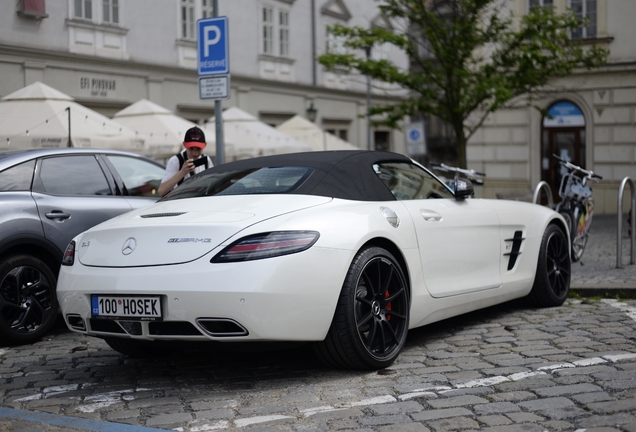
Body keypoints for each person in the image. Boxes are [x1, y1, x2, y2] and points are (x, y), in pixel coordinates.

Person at [158, 126, 214, 196]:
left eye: (198, 149)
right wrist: (182, 172)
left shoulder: (207, 160)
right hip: (180, 202)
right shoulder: (175, 161)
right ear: (184, 144)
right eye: (191, 149)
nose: (195, 153)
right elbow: (161, 191)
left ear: (205, 145)